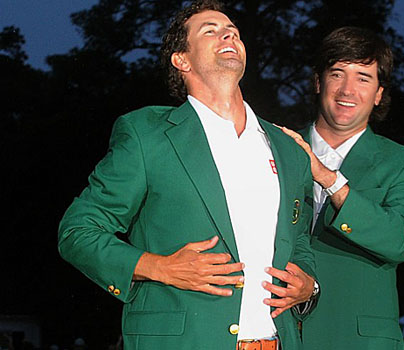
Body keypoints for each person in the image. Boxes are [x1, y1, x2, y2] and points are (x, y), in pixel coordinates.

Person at [58, 1, 317, 349]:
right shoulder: (146, 134)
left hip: (276, 341)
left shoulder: (288, 150)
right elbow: (78, 231)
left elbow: (299, 241)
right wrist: (158, 267)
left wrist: (308, 286)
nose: (228, 34)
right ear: (182, 60)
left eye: (233, 32)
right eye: (210, 30)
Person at [281, 26, 404, 349]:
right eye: (338, 74)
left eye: (363, 78)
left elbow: (400, 240)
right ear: (318, 81)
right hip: (278, 335)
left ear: (379, 94)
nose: (348, 90)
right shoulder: (276, 148)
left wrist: (329, 178)